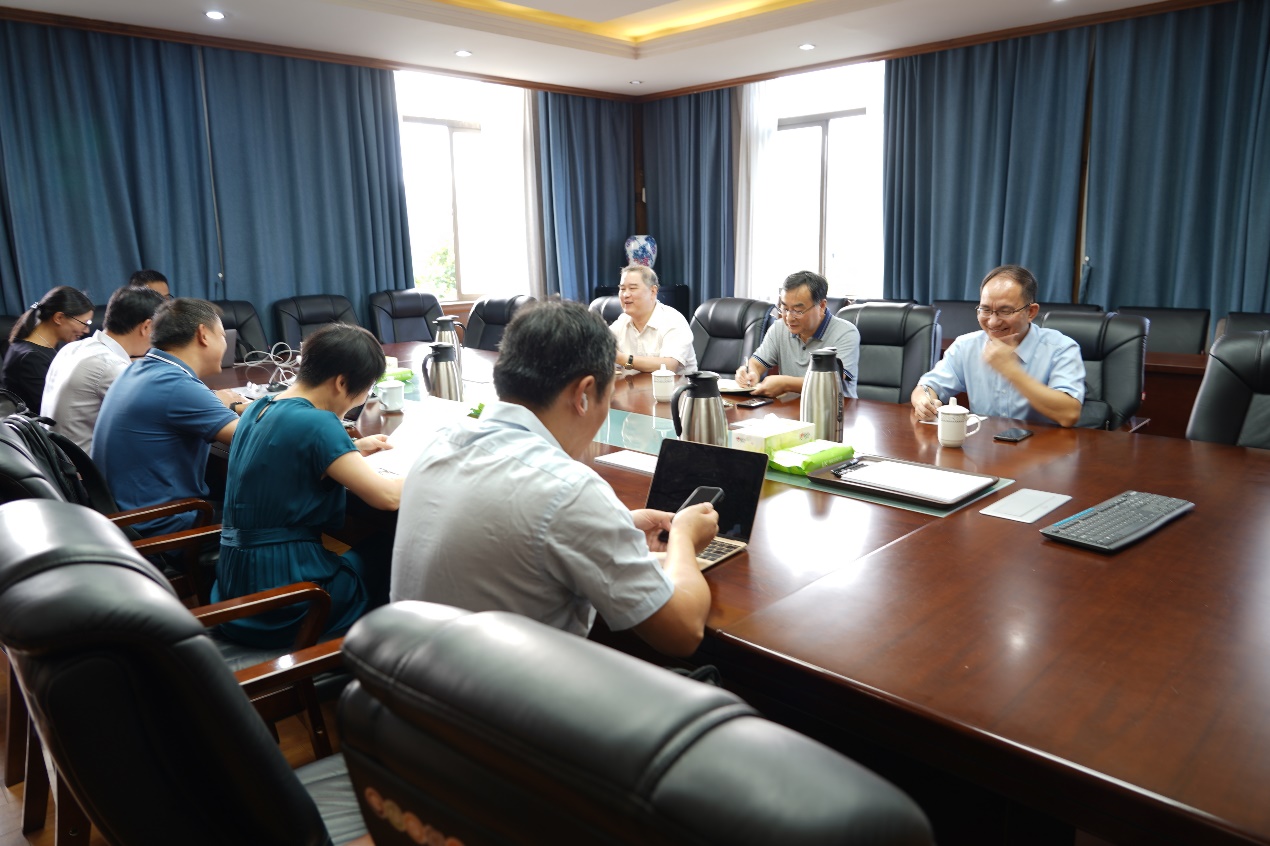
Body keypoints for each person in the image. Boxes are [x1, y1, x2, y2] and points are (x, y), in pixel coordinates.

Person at [391, 300, 719, 657]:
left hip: (409, 677)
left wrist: (616, 524)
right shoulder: (568, 489)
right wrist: (683, 537)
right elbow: (683, 632)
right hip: (506, 691)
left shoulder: (439, 446)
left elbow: (515, 527)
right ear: (584, 394)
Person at [212, 323, 401, 648]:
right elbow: (387, 497)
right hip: (291, 598)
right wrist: (432, 465)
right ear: (342, 382)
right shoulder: (319, 422)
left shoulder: (259, 407)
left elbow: (285, 453)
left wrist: (351, 449)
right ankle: (375, 655)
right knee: (390, 549)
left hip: (235, 589)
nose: (363, 398)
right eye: (367, 390)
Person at [92, 298, 249, 536]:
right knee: (275, 513)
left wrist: (240, 405)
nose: (225, 344)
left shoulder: (140, 370)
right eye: (222, 336)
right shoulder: (176, 385)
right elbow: (255, 437)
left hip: (126, 519)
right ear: (203, 335)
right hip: (162, 527)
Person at [911, 265, 1085, 427]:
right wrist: (924, 402)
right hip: (983, 444)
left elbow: (1069, 414)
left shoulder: (1061, 348)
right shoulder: (966, 346)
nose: (993, 322)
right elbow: (927, 386)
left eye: (1005, 311)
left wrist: (1011, 371)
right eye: (985, 310)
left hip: (1041, 446)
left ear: (1031, 312)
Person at [41, 285, 166, 452]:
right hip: (82, 466)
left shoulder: (72, 348)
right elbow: (155, 418)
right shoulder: (112, 367)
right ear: (146, 327)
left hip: (53, 458)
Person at [735, 270, 860, 398]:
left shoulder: (846, 333)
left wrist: (786, 384)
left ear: (822, 306)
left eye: (798, 311)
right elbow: (756, 363)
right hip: (790, 408)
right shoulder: (779, 328)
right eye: (785, 309)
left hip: (835, 408)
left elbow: (832, 382)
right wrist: (750, 373)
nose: (789, 318)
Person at [1, 286, 95, 412]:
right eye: (85, 323)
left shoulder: (43, 346)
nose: (87, 330)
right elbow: (52, 410)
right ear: (59, 318)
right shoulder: (31, 358)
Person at [608, 264, 698, 374]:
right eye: (622, 289)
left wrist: (623, 359)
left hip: (676, 385)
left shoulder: (673, 320)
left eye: (632, 288)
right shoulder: (622, 321)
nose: (625, 294)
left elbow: (669, 366)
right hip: (634, 385)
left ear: (653, 291)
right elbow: (602, 347)